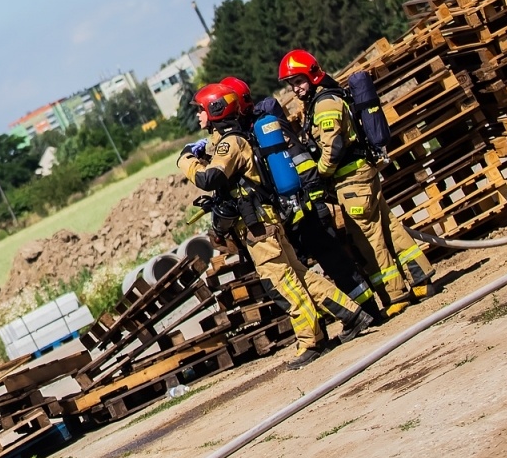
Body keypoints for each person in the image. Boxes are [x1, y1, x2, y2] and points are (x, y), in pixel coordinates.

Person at [177, 82, 372, 369]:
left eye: (201, 110)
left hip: (259, 229)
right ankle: (353, 315)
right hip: (266, 221)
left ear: (215, 109)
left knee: (281, 284)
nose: (198, 116)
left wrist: (186, 161)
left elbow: (210, 179)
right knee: (300, 276)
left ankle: (311, 340)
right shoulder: (231, 140)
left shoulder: (232, 143)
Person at [278, 49, 436, 317]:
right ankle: (421, 279)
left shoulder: (325, 104)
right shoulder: (325, 98)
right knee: (388, 226)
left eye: (299, 81)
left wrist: (320, 174)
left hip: (351, 180)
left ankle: (396, 295)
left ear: (313, 75)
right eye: (291, 84)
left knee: (368, 238)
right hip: (362, 174)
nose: (295, 89)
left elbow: (333, 147)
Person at [220, 76, 383, 321]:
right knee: (333, 264)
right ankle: (364, 312)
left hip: (302, 210)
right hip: (301, 207)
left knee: (324, 266)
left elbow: (299, 163)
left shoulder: (258, 131)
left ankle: (363, 314)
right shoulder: (264, 126)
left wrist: (312, 198)